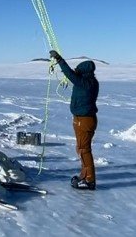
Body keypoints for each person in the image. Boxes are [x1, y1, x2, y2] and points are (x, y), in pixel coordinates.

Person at [51, 49, 99, 190]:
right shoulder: (89, 81)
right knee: (80, 148)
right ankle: (84, 175)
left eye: (79, 68)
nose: (76, 70)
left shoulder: (86, 82)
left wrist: (59, 59)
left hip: (84, 120)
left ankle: (90, 180)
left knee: (84, 150)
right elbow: (73, 75)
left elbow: (69, 74)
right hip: (81, 119)